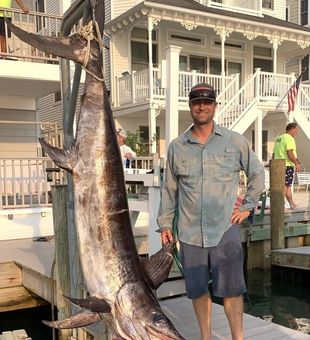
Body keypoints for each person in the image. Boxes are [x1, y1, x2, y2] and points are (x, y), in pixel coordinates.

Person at [157, 83, 265, 340]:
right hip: (190, 232)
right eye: (196, 102)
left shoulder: (234, 141)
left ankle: (237, 337)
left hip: (224, 229)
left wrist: (248, 207)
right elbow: (169, 189)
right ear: (190, 107)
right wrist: (164, 225)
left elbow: (257, 173)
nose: (201, 107)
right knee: (197, 290)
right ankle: (206, 337)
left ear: (215, 106)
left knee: (232, 290)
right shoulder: (176, 146)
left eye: (207, 102)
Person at [272, 122, 301, 209]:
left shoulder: (279, 138)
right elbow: (290, 153)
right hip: (287, 165)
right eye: (296, 130)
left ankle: (291, 204)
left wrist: (272, 165)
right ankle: (279, 205)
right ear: (291, 129)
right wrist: (296, 163)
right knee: (284, 186)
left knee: (287, 186)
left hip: (278, 165)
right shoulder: (289, 138)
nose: (297, 132)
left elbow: (273, 154)